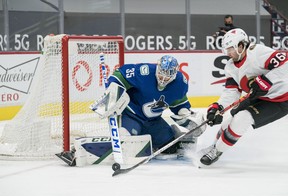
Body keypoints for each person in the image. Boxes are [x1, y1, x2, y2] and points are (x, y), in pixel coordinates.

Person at [57, 55, 206, 166]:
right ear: (158, 68)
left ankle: (145, 144)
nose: (163, 77)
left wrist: (186, 115)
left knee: (170, 146)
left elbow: (179, 104)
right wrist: (113, 91)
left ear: (175, 74)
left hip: (153, 122)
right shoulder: (144, 72)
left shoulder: (180, 83)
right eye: (161, 72)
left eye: (168, 75)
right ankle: (79, 151)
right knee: (124, 142)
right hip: (131, 116)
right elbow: (120, 75)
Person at [200, 28, 288, 166]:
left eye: (230, 49)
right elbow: (231, 92)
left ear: (241, 45)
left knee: (242, 119)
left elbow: (286, 63)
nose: (228, 53)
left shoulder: (257, 52)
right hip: (259, 96)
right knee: (227, 122)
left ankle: (217, 151)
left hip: (281, 99)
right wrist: (218, 107)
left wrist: (266, 80)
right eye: (226, 50)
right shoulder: (230, 66)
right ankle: (214, 146)